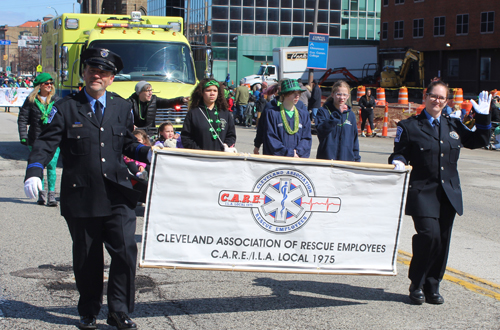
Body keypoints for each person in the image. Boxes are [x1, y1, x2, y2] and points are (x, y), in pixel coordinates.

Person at [23, 48, 152, 330]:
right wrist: (34, 170)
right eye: (93, 70)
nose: (97, 75)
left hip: (118, 192)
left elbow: (127, 143)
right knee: (87, 257)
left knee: (126, 251)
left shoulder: (121, 106)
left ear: (111, 79)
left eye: (104, 72)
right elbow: (46, 143)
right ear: (83, 73)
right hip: (82, 194)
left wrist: (147, 152)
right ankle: (89, 309)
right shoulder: (66, 107)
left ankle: (119, 310)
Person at [389, 81, 491, 305]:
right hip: (423, 192)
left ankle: (432, 285)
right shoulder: (409, 126)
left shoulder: (453, 124)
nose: (437, 101)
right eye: (433, 96)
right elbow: (400, 153)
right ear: (426, 97)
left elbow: (478, 141)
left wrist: (483, 118)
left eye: (442, 98)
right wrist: (398, 162)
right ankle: (417, 283)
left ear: (446, 102)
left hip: (448, 193)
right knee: (429, 236)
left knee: (442, 241)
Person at [18, 73, 61, 206]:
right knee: (39, 166)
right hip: (35, 139)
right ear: (40, 86)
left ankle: (52, 195)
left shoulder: (56, 100)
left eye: (51, 83)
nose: (49, 86)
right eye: (46, 83)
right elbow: (23, 119)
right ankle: (41, 194)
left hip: (53, 140)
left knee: (51, 166)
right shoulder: (31, 100)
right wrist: (23, 136)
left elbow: (62, 120)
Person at [181, 78, 236, 151]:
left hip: (221, 157)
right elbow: (186, 137)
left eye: (215, 90)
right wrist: (198, 151)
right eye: (208, 90)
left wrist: (227, 145)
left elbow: (231, 135)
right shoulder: (193, 113)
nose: (212, 93)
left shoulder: (225, 113)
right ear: (202, 92)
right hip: (200, 158)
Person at [260, 79, 311, 157]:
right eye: (294, 93)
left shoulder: (304, 114)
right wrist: (289, 153)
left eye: (299, 93)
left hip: (297, 159)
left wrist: (298, 152)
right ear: (284, 94)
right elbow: (270, 137)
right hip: (278, 160)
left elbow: (306, 138)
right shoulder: (272, 113)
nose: (297, 96)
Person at [315, 80, 360, 162]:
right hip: (327, 159)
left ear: (348, 96)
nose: (342, 98)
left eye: (344, 95)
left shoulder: (351, 115)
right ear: (332, 94)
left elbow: (355, 140)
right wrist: (337, 114)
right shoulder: (323, 111)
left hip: (346, 160)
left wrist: (356, 159)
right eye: (338, 94)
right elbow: (321, 131)